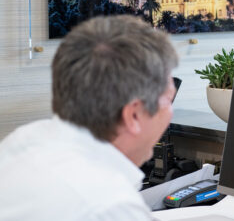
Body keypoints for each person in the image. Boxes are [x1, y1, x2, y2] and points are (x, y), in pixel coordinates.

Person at [0, 15, 178, 220]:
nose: (170, 111)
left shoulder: (24, 140)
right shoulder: (107, 205)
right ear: (134, 115)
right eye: (168, 99)